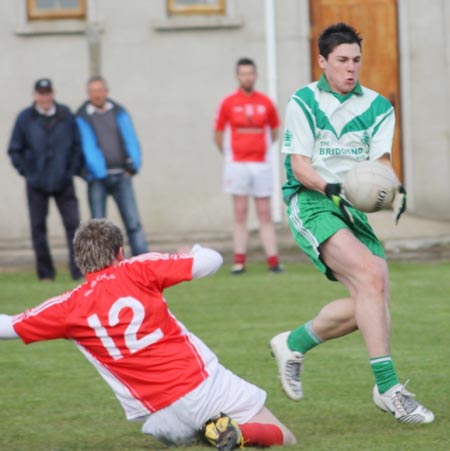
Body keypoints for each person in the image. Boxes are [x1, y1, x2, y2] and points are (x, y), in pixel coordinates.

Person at [0, 218, 296, 449]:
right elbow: (213, 260)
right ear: (120, 252)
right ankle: (237, 434)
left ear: (79, 262)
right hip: (202, 384)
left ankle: (198, 430)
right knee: (284, 437)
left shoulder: (68, 306)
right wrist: (192, 252)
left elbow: (8, 326)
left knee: (182, 427)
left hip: (158, 412)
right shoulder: (136, 269)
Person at [270, 22, 434, 424]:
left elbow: (378, 166)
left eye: (356, 61)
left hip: (350, 209)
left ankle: (292, 343)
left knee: (374, 302)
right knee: (371, 280)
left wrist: (390, 188)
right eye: (342, 60)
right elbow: (299, 166)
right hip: (311, 200)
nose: (350, 68)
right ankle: (389, 389)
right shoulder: (303, 102)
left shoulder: (379, 107)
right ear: (323, 61)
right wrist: (333, 188)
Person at [7, 78, 83, 281]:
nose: (45, 97)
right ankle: (46, 273)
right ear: (35, 96)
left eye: (48, 93)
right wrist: (29, 173)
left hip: (64, 182)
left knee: (74, 227)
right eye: (41, 93)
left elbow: (77, 145)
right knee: (38, 228)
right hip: (36, 184)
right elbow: (15, 150)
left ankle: (78, 271)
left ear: (53, 94)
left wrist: (70, 170)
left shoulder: (66, 114)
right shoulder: (25, 118)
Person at [214, 58, 283, 275]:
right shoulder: (228, 102)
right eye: (243, 74)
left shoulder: (266, 102)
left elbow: (274, 131)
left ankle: (273, 261)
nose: (247, 77)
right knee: (240, 213)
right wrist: (231, 154)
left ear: (256, 75)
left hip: (261, 165)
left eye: (250, 73)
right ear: (237, 76)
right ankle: (239, 261)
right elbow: (218, 133)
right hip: (237, 165)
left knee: (264, 213)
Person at [76, 75, 148, 256]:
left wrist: (134, 165)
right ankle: (101, 265)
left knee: (133, 223)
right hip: (97, 178)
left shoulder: (119, 111)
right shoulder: (81, 116)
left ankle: (143, 262)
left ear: (106, 92)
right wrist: (88, 173)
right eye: (92, 91)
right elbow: (80, 148)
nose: (96, 95)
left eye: (99, 90)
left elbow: (131, 139)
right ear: (88, 94)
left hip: (122, 175)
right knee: (98, 229)